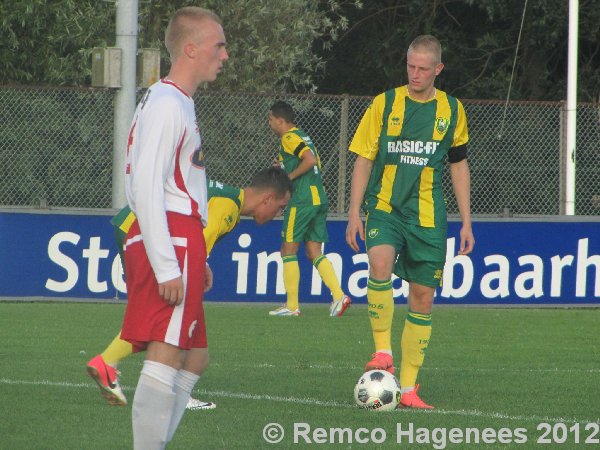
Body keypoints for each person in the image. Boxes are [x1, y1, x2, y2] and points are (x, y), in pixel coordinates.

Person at [114, 7, 227, 449]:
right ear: (191, 49)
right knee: (167, 352)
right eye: (219, 45)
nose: (225, 55)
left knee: (193, 356)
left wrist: (195, 253)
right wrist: (168, 264)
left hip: (184, 238)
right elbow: (146, 184)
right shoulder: (166, 103)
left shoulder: (176, 100)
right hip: (171, 236)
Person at [86, 168, 291, 411]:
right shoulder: (228, 207)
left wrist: (201, 265)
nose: (279, 214)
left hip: (133, 225)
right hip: (141, 229)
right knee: (169, 315)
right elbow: (195, 242)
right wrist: (193, 268)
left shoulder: (226, 200)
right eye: (281, 207)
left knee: (157, 314)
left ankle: (137, 375)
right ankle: (115, 365)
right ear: (267, 198)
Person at [345, 35, 475, 409]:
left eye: (422, 68)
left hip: (429, 216)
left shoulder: (452, 110)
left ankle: (409, 389)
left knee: (422, 298)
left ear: (438, 69)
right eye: (410, 66)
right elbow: (363, 159)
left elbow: (459, 163)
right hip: (385, 207)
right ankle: (382, 351)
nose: (415, 74)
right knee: (379, 262)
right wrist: (354, 212)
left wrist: (467, 222)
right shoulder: (385, 104)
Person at [268, 101, 351, 317]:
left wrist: (288, 177)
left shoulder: (288, 137)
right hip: (318, 197)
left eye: (270, 120)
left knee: (288, 249)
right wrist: (285, 166)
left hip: (303, 200)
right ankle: (339, 295)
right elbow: (315, 163)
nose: (269, 124)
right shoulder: (303, 136)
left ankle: (292, 306)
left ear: (280, 120)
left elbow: (309, 161)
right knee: (314, 251)